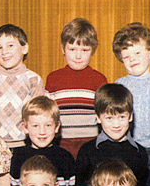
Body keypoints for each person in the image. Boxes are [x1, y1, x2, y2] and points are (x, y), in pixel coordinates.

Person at [72, 83, 149, 186]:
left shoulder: (139, 153)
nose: (116, 124)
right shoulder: (87, 151)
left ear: (130, 116)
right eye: (109, 118)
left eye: (121, 117)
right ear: (98, 117)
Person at [45, 17, 108, 157]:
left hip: (91, 144)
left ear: (93, 50)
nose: (78, 56)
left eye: (84, 50)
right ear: (63, 49)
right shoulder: (53, 78)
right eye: (72, 49)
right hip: (60, 144)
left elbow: (104, 115)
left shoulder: (99, 79)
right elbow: (47, 114)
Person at [112, 22, 150, 169]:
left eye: (137, 53)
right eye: (126, 57)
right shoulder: (119, 85)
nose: (132, 59)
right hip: (127, 146)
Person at [9, 96, 76, 186]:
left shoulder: (65, 157)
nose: (42, 131)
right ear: (25, 128)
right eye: (35, 126)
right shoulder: (18, 156)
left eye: (48, 125)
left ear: (57, 127)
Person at [0, 23, 45, 149]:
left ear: (24, 48)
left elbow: (38, 115)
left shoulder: (33, 79)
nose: (4, 52)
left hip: (26, 144)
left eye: (10, 45)